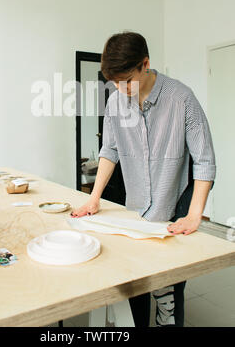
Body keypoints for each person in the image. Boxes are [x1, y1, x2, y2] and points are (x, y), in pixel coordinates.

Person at [71, 31, 216, 327]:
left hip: (173, 205)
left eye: (126, 81)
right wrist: (94, 199)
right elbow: (109, 150)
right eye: (115, 83)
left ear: (145, 64)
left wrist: (194, 215)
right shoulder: (114, 103)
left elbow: (205, 162)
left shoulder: (182, 99)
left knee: (168, 292)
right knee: (135, 285)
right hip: (135, 208)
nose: (121, 89)